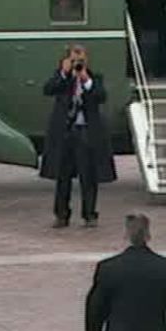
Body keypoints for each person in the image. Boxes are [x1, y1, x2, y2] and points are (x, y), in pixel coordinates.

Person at [40, 44, 117, 228]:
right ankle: (61, 214)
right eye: (75, 59)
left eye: (81, 59)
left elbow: (101, 96)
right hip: (66, 132)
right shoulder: (61, 77)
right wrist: (64, 73)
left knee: (88, 176)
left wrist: (86, 80)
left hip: (86, 132)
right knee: (63, 176)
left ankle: (90, 214)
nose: (78, 63)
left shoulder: (94, 77)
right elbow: (48, 89)